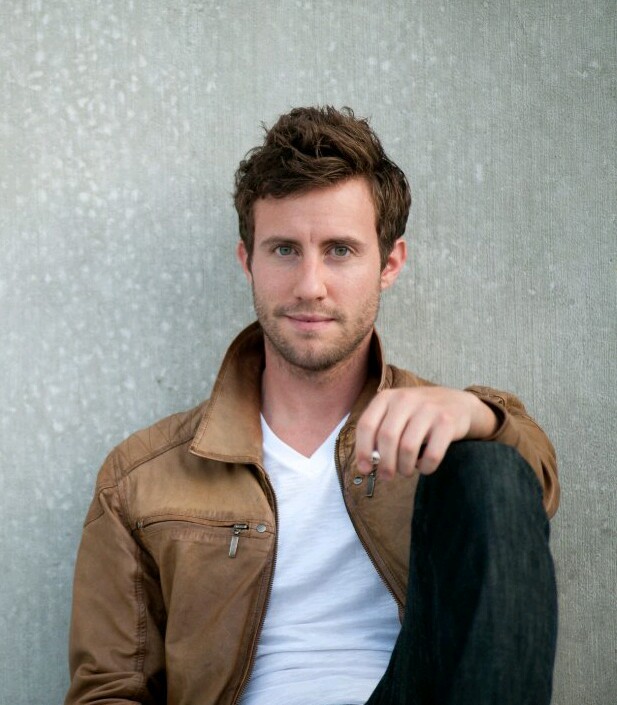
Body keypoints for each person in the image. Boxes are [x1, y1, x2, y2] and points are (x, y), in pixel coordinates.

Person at [65, 106, 559, 705]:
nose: (310, 286)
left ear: (389, 264)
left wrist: (476, 418)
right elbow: (108, 689)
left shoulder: (443, 433)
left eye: (340, 250)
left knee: (492, 469)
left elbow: (533, 485)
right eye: (284, 250)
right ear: (247, 260)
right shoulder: (140, 477)